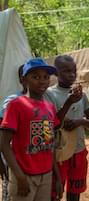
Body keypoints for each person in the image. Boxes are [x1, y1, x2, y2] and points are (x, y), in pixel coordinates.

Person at [0, 58, 82, 201]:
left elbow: (47, 143)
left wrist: (56, 176)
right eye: (35, 77)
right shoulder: (16, 105)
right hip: (24, 175)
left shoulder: (48, 107)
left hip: (46, 175)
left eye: (46, 77)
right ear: (23, 80)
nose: (42, 81)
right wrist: (19, 176)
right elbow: (4, 144)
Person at [45, 55, 89, 201]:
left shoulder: (82, 95)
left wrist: (80, 122)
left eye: (74, 71)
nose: (72, 75)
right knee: (55, 193)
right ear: (56, 72)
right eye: (66, 71)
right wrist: (68, 102)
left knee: (75, 193)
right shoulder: (49, 94)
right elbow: (50, 126)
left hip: (78, 151)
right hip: (59, 154)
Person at [0, 64, 27, 201]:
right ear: (22, 79)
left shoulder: (44, 101)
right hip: (12, 156)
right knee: (10, 189)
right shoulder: (11, 101)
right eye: (34, 75)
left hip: (33, 160)